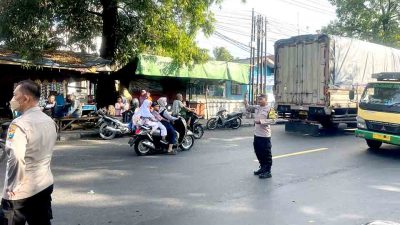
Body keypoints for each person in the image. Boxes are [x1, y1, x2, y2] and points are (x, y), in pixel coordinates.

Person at [1, 80, 57, 225]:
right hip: (44, 183)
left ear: (26, 98)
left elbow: (16, 158)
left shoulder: (19, 124)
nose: (11, 99)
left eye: (14, 95)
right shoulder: (49, 121)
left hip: (21, 191)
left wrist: (13, 185)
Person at [244, 93, 276, 179]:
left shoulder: (270, 109)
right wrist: (245, 100)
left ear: (266, 100)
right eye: (258, 99)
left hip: (265, 136)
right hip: (257, 135)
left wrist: (261, 121)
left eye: (261, 99)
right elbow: (248, 108)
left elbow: (273, 120)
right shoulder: (257, 107)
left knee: (266, 154)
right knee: (258, 152)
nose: (259, 101)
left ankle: (268, 171)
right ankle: (262, 168)